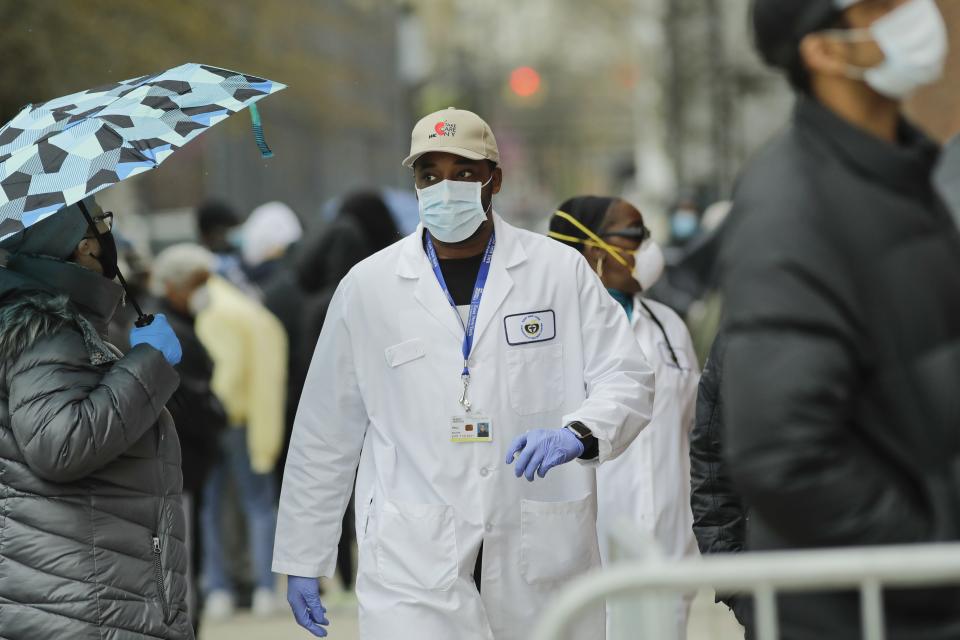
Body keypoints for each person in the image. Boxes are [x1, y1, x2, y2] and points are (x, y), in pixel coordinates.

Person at [273, 107, 655, 640]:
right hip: (412, 558)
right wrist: (303, 553)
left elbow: (628, 376)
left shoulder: (556, 272)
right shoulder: (369, 287)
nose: (445, 188)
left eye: (464, 173)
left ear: (494, 180)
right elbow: (325, 430)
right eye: (430, 175)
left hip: (538, 546)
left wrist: (581, 433)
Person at [722, 1, 960, 638]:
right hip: (877, 614)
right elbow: (783, 453)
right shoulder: (791, 211)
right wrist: (931, 557)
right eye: (881, 7)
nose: (917, 16)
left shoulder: (899, 172)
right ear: (824, 51)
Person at [0, 198, 193, 639]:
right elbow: (60, 444)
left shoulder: (51, 323)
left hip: (83, 591)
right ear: (84, 247)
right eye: (102, 224)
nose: (109, 237)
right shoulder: (46, 331)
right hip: (85, 602)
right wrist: (150, 362)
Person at [548, 195, 701, 640]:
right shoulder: (557, 327)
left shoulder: (668, 326)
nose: (648, 247)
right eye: (635, 236)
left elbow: (692, 429)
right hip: (590, 557)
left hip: (667, 550)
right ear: (594, 249)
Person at [190, 244, 289, 619]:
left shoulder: (213, 310)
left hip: (220, 423)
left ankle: (218, 588)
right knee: (259, 505)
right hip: (249, 421)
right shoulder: (241, 307)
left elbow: (224, 371)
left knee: (212, 508)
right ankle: (266, 588)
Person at [149, 244, 229, 633]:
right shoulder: (166, 331)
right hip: (178, 467)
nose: (206, 292)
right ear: (177, 286)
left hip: (187, 466)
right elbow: (182, 401)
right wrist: (214, 412)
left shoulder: (173, 324)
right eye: (199, 283)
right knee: (180, 565)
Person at [689, 335, 752, 637]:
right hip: (775, 590)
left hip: (886, 584)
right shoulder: (739, 334)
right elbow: (710, 460)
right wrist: (734, 580)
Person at [195, 199, 260, 298]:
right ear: (212, 234)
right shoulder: (210, 265)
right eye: (229, 230)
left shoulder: (236, 259)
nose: (234, 236)